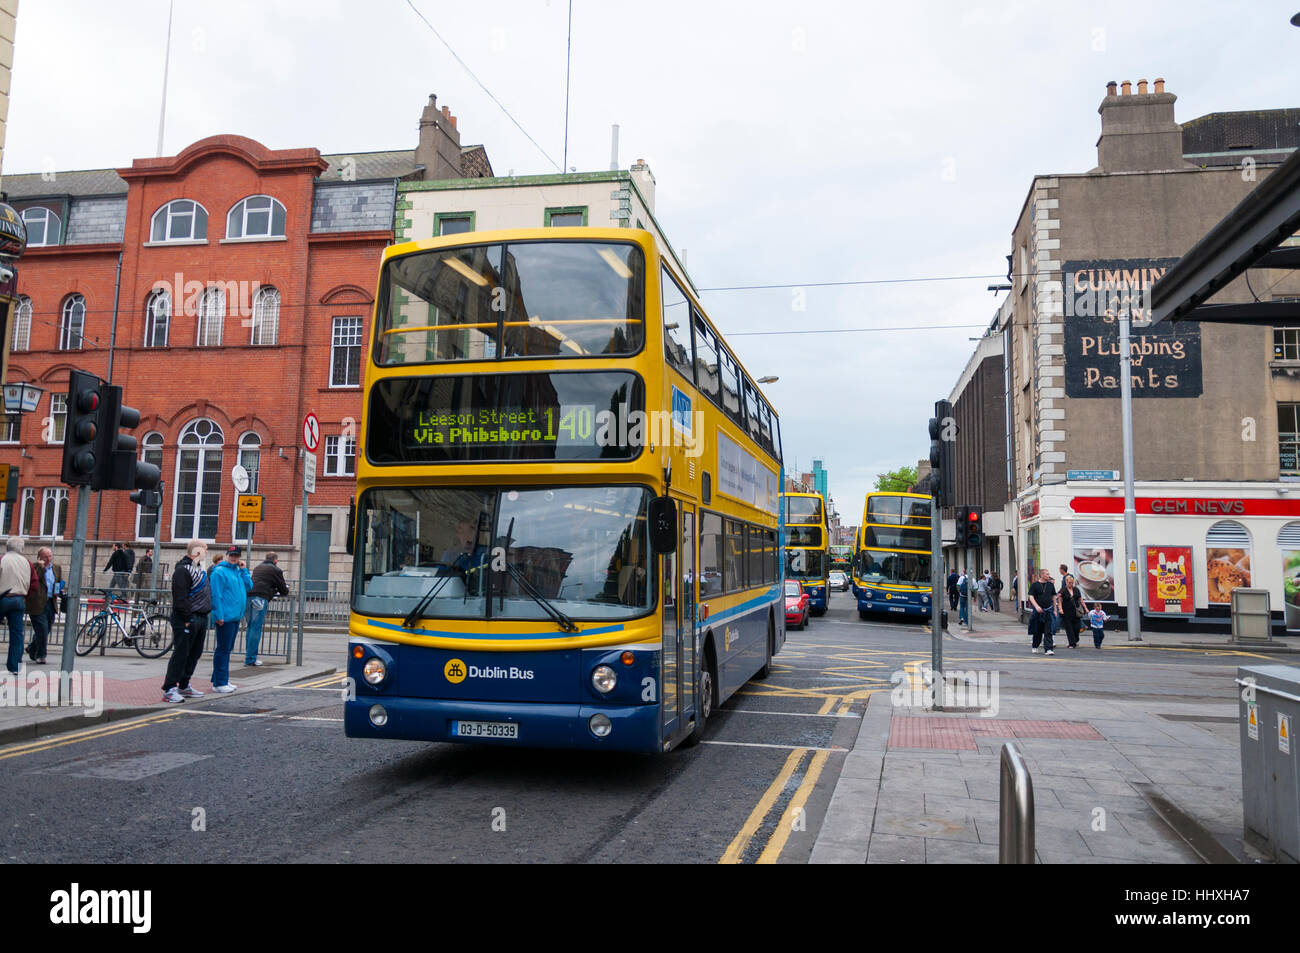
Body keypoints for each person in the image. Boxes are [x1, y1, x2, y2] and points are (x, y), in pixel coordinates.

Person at [162, 541, 212, 703]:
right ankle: (169, 689)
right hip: (187, 618)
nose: (207, 552)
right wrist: (187, 618)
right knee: (181, 653)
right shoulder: (183, 570)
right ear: (197, 551)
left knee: (194, 653)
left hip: (201, 617)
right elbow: (180, 597)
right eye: (205, 549)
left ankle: (184, 685)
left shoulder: (199, 568)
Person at [209, 546, 252, 694]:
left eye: (237, 556)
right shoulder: (219, 572)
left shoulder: (237, 571)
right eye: (231, 555)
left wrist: (244, 570)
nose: (234, 558)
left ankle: (220, 680)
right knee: (223, 649)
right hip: (225, 617)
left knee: (227, 649)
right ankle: (220, 682)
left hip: (235, 616)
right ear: (227, 555)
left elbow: (249, 586)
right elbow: (216, 595)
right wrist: (219, 615)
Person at [246, 552, 288, 667]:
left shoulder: (258, 567)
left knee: (250, 627)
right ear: (276, 560)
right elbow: (284, 590)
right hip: (260, 598)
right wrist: (276, 590)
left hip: (248, 597)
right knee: (256, 628)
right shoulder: (276, 570)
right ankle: (250, 659)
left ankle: (249, 656)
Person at [1, 537, 32, 674]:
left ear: (7, 547)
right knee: (17, 634)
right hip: (19, 599)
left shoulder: (3, 559)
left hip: (3, 597)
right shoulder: (27, 562)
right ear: (22, 549)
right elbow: (34, 583)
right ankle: (14, 666)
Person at [26, 546, 60, 665]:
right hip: (37, 603)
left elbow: (58, 582)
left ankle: (31, 648)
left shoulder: (56, 568)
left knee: (47, 629)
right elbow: (35, 579)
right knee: (42, 629)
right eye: (46, 556)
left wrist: (59, 590)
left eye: (50, 556)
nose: (49, 559)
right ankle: (41, 655)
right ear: (40, 557)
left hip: (51, 602)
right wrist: (41, 567)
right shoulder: (35, 567)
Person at [1027, 568, 1056, 656]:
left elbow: (1053, 597)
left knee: (1048, 630)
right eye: (1047, 574)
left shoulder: (1050, 585)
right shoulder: (1035, 585)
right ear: (1042, 575)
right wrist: (1036, 606)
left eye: (1048, 573)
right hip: (1038, 611)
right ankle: (1035, 646)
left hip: (1048, 610)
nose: (1048, 575)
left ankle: (1048, 649)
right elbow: (1031, 597)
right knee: (1038, 630)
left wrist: (1055, 609)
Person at [1059, 574, 1085, 648]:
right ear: (1066, 582)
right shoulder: (1063, 590)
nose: (1071, 584)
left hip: (1076, 612)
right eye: (1069, 582)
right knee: (1069, 628)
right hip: (1066, 612)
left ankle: (1076, 639)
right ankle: (1071, 643)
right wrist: (1060, 609)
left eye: (1072, 582)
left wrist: (1085, 608)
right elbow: (1060, 600)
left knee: (1077, 627)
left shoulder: (1076, 589)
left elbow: (1080, 599)